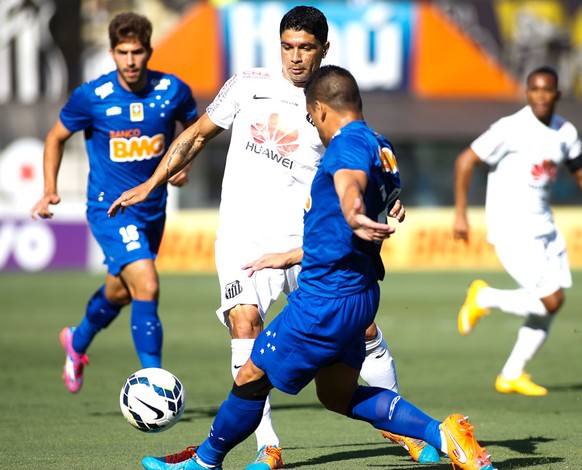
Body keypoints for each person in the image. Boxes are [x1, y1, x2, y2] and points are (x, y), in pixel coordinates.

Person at [110, 64, 496, 470]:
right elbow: (353, 216)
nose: (312, 124)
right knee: (337, 395)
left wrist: (353, 211)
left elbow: (347, 186)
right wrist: (294, 254)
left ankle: (205, 462)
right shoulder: (381, 147)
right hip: (359, 293)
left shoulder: (345, 146)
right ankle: (444, 434)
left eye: (312, 116)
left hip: (323, 300)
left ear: (323, 109)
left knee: (252, 376)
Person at [30, 12, 198, 394]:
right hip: (110, 208)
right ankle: (153, 385)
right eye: (122, 52)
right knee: (148, 284)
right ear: (111, 52)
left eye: (137, 51)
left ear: (149, 51)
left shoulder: (173, 91)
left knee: (122, 292)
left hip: (153, 209)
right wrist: (49, 188)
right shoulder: (92, 96)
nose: (131, 60)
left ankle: (77, 340)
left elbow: (194, 131)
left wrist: (183, 167)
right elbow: (55, 137)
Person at [453, 65, 582, 396]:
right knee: (552, 300)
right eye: (535, 89)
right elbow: (465, 161)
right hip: (512, 227)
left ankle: (511, 374)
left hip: (545, 227)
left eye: (547, 90)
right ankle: (484, 296)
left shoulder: (565, 131)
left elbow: (581, 173)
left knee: (551, 305)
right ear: (527, 93)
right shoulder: (510, 128)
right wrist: (461, 214)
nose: (541, 95)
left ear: (557, 93)